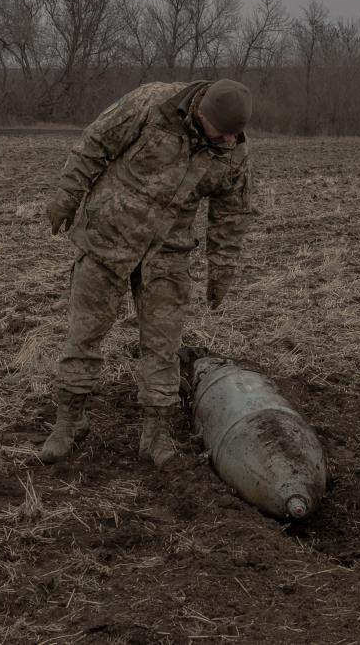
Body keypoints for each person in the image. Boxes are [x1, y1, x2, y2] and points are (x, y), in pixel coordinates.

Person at [40, 78, 254, 467]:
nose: (226, 141)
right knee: (84, 335)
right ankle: (68, 423)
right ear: (201, 112)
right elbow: (95, 144)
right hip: (108, 237)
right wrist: (65, 196)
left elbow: (232, 215)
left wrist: (221, 270)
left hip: (167, 254)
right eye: (220, 133)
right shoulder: (152, 105)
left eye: (233, 135)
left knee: (162, 347)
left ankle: (155, 435)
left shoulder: (232, 151)